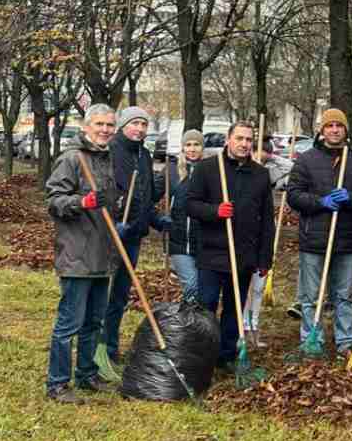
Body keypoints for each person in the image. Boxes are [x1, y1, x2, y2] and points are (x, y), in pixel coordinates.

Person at [43, 103, 120, 403]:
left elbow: (108, 204)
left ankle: (86, 374)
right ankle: (58, 384)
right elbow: (54, 201)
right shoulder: (71, 159)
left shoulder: (106, 159)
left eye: (109, 125)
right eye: (99, 124)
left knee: (93, 323)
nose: (104, 130)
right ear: (86, 127)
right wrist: (80, 203)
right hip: (77, 255)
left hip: (103, 254)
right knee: (69, 324)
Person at [185, 121, 274, 368]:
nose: (244, 144)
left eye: (249, 140)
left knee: (235, 309)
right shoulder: (208, 169)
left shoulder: (260, 174)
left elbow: (267, 219)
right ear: (229, 139)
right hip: (213, 252)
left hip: (244, 254)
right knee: (208, 305)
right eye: (240, 139)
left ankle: (226, 355)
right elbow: (190, 204)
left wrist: (265, 258)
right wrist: (215, 211)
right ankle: (202, 354)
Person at [286, 108, 352, 356]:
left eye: (339, 126)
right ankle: (311, 340)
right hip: (314, 239)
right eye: (329, 126)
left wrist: (351, 198)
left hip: (347, 239)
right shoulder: (307, 159)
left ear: (345, 130)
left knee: (344, 295)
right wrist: (320, 202)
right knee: (311, 296)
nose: (334, 130)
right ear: (321, 130)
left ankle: (345, 341)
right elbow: (294, 195)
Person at [102, 105, 167, 367]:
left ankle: (110, 346)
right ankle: (95, 345)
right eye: (135, 124)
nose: (139, 129)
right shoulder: (110, 151)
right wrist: (115, 221)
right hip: (110, 234)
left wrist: (155, 219)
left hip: (133, 235)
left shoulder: (144, 155)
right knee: (102, 293)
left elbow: (144, 195)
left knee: (120, 294)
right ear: (122, 125)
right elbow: (105, 194)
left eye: (143, 124)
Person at [165, 129, 205, 303]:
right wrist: (161, 219)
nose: (192, 149)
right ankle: (191, 324)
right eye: (188, 145)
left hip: (204, 241)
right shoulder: (172, 171)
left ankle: (196, 323)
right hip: (179, 241)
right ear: (182, 147)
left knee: (204, 289)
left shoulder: (210, 170)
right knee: (192, 284)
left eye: (196, 144)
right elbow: (150, 196)